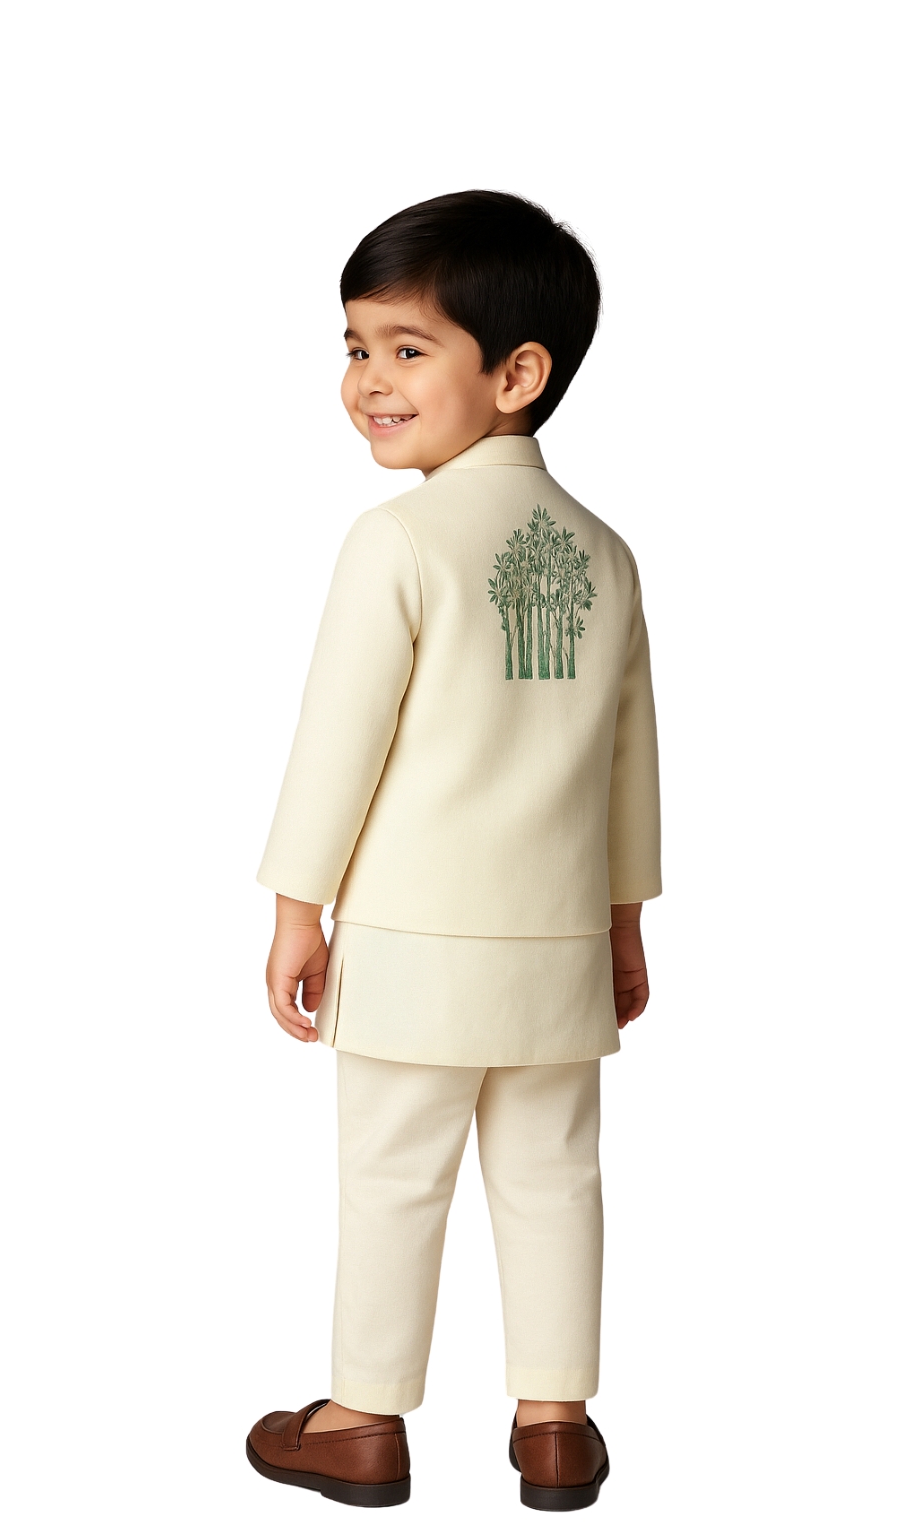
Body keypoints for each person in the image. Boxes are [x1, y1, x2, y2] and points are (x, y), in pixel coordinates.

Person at [246, 190, 661, 1510]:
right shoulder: (606, 555)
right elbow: (629, 762)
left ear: (517, 374)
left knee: (393, 1176)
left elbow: (340, 740)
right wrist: (624, 922)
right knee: (555, 1177)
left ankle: (361, 1422)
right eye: (356, 347)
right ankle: (556, 1425)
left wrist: (297, 907)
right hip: (557, 943)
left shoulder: (401, 542)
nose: (369, 379)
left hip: (417, 942)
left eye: (408, 349)